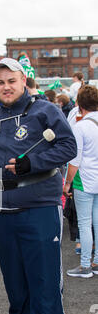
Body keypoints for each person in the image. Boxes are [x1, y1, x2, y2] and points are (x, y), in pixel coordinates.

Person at [0, 58, 77, 314]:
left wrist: (31, 163)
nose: (6, 87)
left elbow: (68, 147)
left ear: (23, 82)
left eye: (12, 81)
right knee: (15, 281)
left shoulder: (45, 110)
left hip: (40, 209)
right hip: (2, 212)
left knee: (44, 281)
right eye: (0, 82)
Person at [64, 85, 98, 279]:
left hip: (84, 180)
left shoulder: (80, 127)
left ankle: (85, 265)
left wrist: (67, 183)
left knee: (85, 224)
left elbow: (74, 161)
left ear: (80, 104)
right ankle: (96, 262)